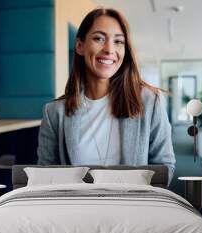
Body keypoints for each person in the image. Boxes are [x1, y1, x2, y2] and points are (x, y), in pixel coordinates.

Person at [37, 8, 176, 184]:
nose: (109, 49)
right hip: (77, 208)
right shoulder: (54, 113)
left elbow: (165, 168)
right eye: (99, 38)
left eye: (118, 41)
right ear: (80, 46)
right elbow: (45, 178)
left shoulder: (149, 102)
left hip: (132, 208)